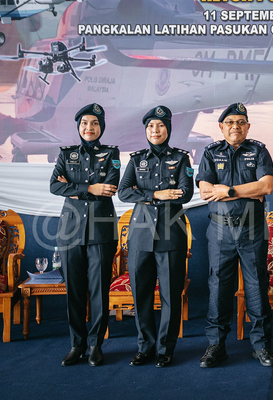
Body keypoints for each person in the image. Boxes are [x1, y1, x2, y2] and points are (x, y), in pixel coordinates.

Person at [195, 102, 273, 368]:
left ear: (247, 127)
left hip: (251, 227)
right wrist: (242, 189)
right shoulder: (210, 152)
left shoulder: (259, 150)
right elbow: (206, 189)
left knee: (256, 286)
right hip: (219, 229)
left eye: (240, 122)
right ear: (221, 127)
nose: (235, 126)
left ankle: (261, 346)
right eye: (230, 122)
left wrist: (228, 191)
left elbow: (265, 186)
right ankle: (216, 345)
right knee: (218, 286)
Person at [118, 105, 194, 368]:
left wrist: (146, 192)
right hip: (140, 235)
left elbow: (185, 193)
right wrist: (156, 195)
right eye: (151, 126)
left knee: (171, 296)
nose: (155, 130)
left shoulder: (182, 158)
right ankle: (145, 347)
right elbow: (124, 192)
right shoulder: (136, 159)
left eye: (160, 126)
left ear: (168, 128)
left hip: (171, 233)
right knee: (142, 294)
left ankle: (165, 349)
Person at [50, 103, 120, 367]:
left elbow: (110, 187)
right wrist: (90, 187)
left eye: (94, 123)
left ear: (101, 127)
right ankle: (76, 344)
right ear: (78, 127)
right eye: (84, 123)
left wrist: (75, 188)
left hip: (101, 230)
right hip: (70, 231)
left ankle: (95, 345)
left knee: (99, 290)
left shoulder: (112, 153)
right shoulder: (66, 154)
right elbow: (55, 186)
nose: (89, 128)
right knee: (74, 292)